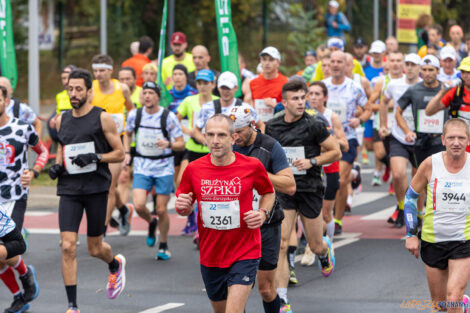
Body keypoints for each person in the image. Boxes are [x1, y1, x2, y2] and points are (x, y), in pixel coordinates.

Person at [176, 114, 275, 313]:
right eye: (210, 135)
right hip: (211, 253)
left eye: (221, 135)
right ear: (204, 137)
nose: (215, 140)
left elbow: (268, 192)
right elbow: (183, 204)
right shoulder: (194, 169)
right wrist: (182, 205)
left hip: (245, 250)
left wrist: (263, 213)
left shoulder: (251, 166)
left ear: (233, 138)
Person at [49, 69, 126, 312]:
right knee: (68, 245)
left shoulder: (102, 118)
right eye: (70, 89)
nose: (73, 93)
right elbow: (63, 150)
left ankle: (114, 264)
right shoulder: (62, 119)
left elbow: (120, 153)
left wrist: (96, 156)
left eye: (78, 89)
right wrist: (57, 167)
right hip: (70, 189)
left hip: (95, 188)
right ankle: (72, 306)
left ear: (89, 92)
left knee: (95, 248)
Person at [265, 80, 341, 312]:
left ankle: (324, 250)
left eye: (303, 98)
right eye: (295, 99)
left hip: (309, 189)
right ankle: (283, 300)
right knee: (282, 245)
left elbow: (336, 151)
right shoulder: (272, 126)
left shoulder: (314, 124)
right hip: (284, 190)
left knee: (314, 245)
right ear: (284, 102)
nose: (301, 102)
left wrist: (312, 161)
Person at [230, 103, 295, 313]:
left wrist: (257, 174)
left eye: (239, 132)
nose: (234, 137)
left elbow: (290, 185)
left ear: (252, 125)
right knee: (238, 288)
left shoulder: (270, 146)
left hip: (267, 223)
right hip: (236, 225)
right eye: (231, 133)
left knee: (266, 289)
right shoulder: (227, 146)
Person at [405, 118, 470, 313]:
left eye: (461, 138)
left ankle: (459, 301)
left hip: (463, 240)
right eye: (451, 137)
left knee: (453, 298)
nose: (456, 142)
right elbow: (410, 198)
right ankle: (463, 305)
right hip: (433, 240)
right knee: (440, 305)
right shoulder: (430, 164)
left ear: (468, 140)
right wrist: (410, 235)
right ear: (443, 140)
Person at [125, 81, 185, 260]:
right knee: (138, 204)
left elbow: (181, 144)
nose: (147, 96)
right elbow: (127, 134)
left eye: (151, 93)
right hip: (142, 165)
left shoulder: (168, 116)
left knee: (161, 209)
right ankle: (151, 223)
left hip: (164, 166)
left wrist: (169, 144)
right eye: (145, 93)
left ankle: (164, 244)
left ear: (158, 97)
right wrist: (127, 152)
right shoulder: (135, 115)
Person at [0, 84, 46, 313]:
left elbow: (43, 151)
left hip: (15, 196)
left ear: (6, 101)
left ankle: (25, 275)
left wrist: (34, 172)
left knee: (7, 249)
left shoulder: (21, 127)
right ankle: (20, 293)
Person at [323, 51, 370, 234]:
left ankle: (337, 219)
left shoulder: (354, 87)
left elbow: (367, 110)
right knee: (326, 181)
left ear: (346, 65)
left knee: (341, 181)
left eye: (339, 62)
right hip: (324, 140)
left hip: (347, 139)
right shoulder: (322, 86)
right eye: (332, 61)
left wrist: (359, 121)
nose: (335, 65)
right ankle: (325, 214)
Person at [396, 55, 446, 227]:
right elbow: (397, 112)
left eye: (431, 70)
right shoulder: (414, 90)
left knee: (439, 181)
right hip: (421, 142)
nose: (427, 73)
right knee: (421, 179)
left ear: (438, 71)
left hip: (440, 142)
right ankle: (419, 216)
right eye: (424, 70)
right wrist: (407, 131)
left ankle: (438, 217)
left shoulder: (446, 89)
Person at [90, 54, 134, 236]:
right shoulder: (90, 88)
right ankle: (123, 210)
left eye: (102, 70)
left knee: (109, 187)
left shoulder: (121, 88)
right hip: (95, 144)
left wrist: (127, 147)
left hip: (116, 145)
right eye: (95, 71)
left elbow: (131, 111)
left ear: (110, 70)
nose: (98, 74)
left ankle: (103, 227)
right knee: (100, 187)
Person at [379, 53, 421, 226]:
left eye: (414, 64)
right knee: (398, 174)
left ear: (419, 68)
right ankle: (402, 206)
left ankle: (417, 213)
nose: (410, 67)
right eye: (408, 64)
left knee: (418, 178)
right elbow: (383, 101)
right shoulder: (395, 85)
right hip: (398, 136)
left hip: (420, 137)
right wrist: (383, 124)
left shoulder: (424, 85)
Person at [176, 69, 218, 236]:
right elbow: (175, 120)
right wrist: (188, 131)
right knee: (182, 182)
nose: (203, 86)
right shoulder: (189, 100)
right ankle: (191, 219)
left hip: (211, 152)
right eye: (200, 83)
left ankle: (203, 223)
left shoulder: (218, 102)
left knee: (206, 189)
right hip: (192, 149)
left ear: (212, 84)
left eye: (206, 83)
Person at [307, 81, 348, 244]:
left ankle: (328, 244)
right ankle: (310, 242)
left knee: (325, 213)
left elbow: (345, 144)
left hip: (330, 169)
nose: (314, 97)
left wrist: (327, 142)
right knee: (309, 211)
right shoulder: (302, 116)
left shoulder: (331, 116)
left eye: (317, 94)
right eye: (311, 94)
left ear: (325, 97)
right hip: (310, 169)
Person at [193, 71, 264, 145]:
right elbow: (196, 130)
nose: (225, 91)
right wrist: (207, 142)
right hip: (217, 152)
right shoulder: (207, 107)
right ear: (218, 87)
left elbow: (261, 125)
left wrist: (258, 143)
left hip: (241, 151)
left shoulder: (245, 108)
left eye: (228, 88)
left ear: (236, 88)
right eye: (223, 88)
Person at [426, 56, 470, 152]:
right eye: (463, 72)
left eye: (469, 72)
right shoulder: (455, 92)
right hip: (459, 147)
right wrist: (442, 92)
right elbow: (429, 112)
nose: (466, 76)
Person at [247, 47, 288, 122]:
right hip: (258, 127)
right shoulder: (253, 83)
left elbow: (291, 107)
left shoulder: (286, 83)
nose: (267, 63)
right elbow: (249, 104)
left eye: (271, 59)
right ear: (260, 61)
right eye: (264, 59)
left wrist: (276, 106)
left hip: (278, 125)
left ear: (278, 63)